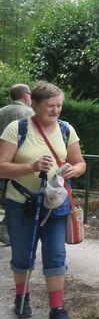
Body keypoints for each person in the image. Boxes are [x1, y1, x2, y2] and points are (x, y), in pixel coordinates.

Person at [0, 81, 86, 319]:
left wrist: (74, 170)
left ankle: (57, 310)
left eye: (59, 105)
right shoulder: (17, 129)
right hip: (21, 203)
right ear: (34, 104)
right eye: (50, 106)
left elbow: (80, 163)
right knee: (23, 253)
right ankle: (22, 297)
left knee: (56, 255)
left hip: (54, 204)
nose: (56, 110)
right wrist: (30, 167)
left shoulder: (66, 129)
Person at [0, 83, 35, 245]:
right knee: (16, 195)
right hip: (17, 164)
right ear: (26, 96)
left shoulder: (2, 111)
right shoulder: (29, 112)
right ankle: (7, 227)